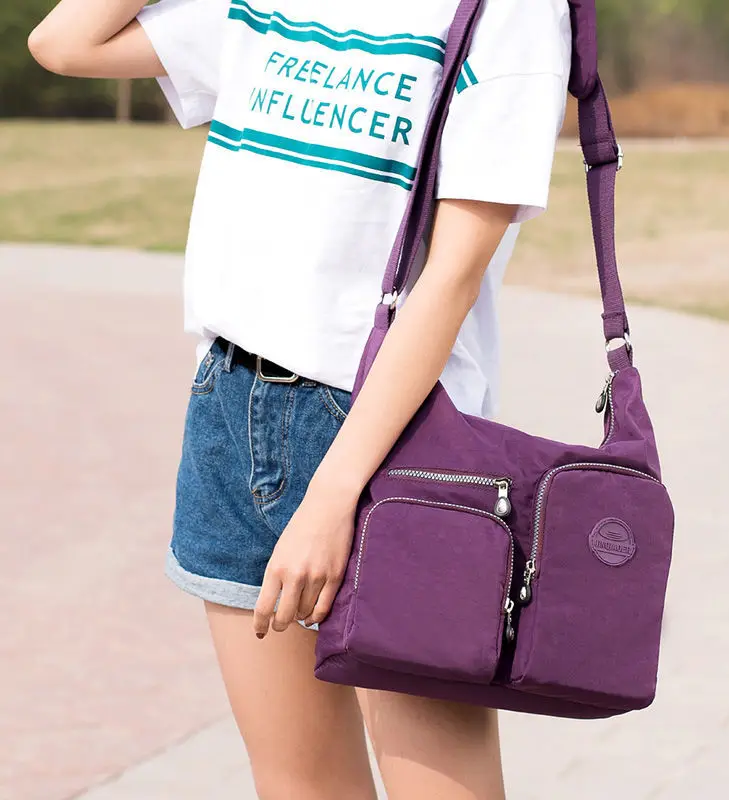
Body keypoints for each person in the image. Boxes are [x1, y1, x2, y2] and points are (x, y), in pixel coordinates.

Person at [28, 0, 571, 797]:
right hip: (231, 404)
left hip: (393, 440)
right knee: (298, 782)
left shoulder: (508, 12)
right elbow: (64, 42)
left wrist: (333, 496)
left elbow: (452, 276)